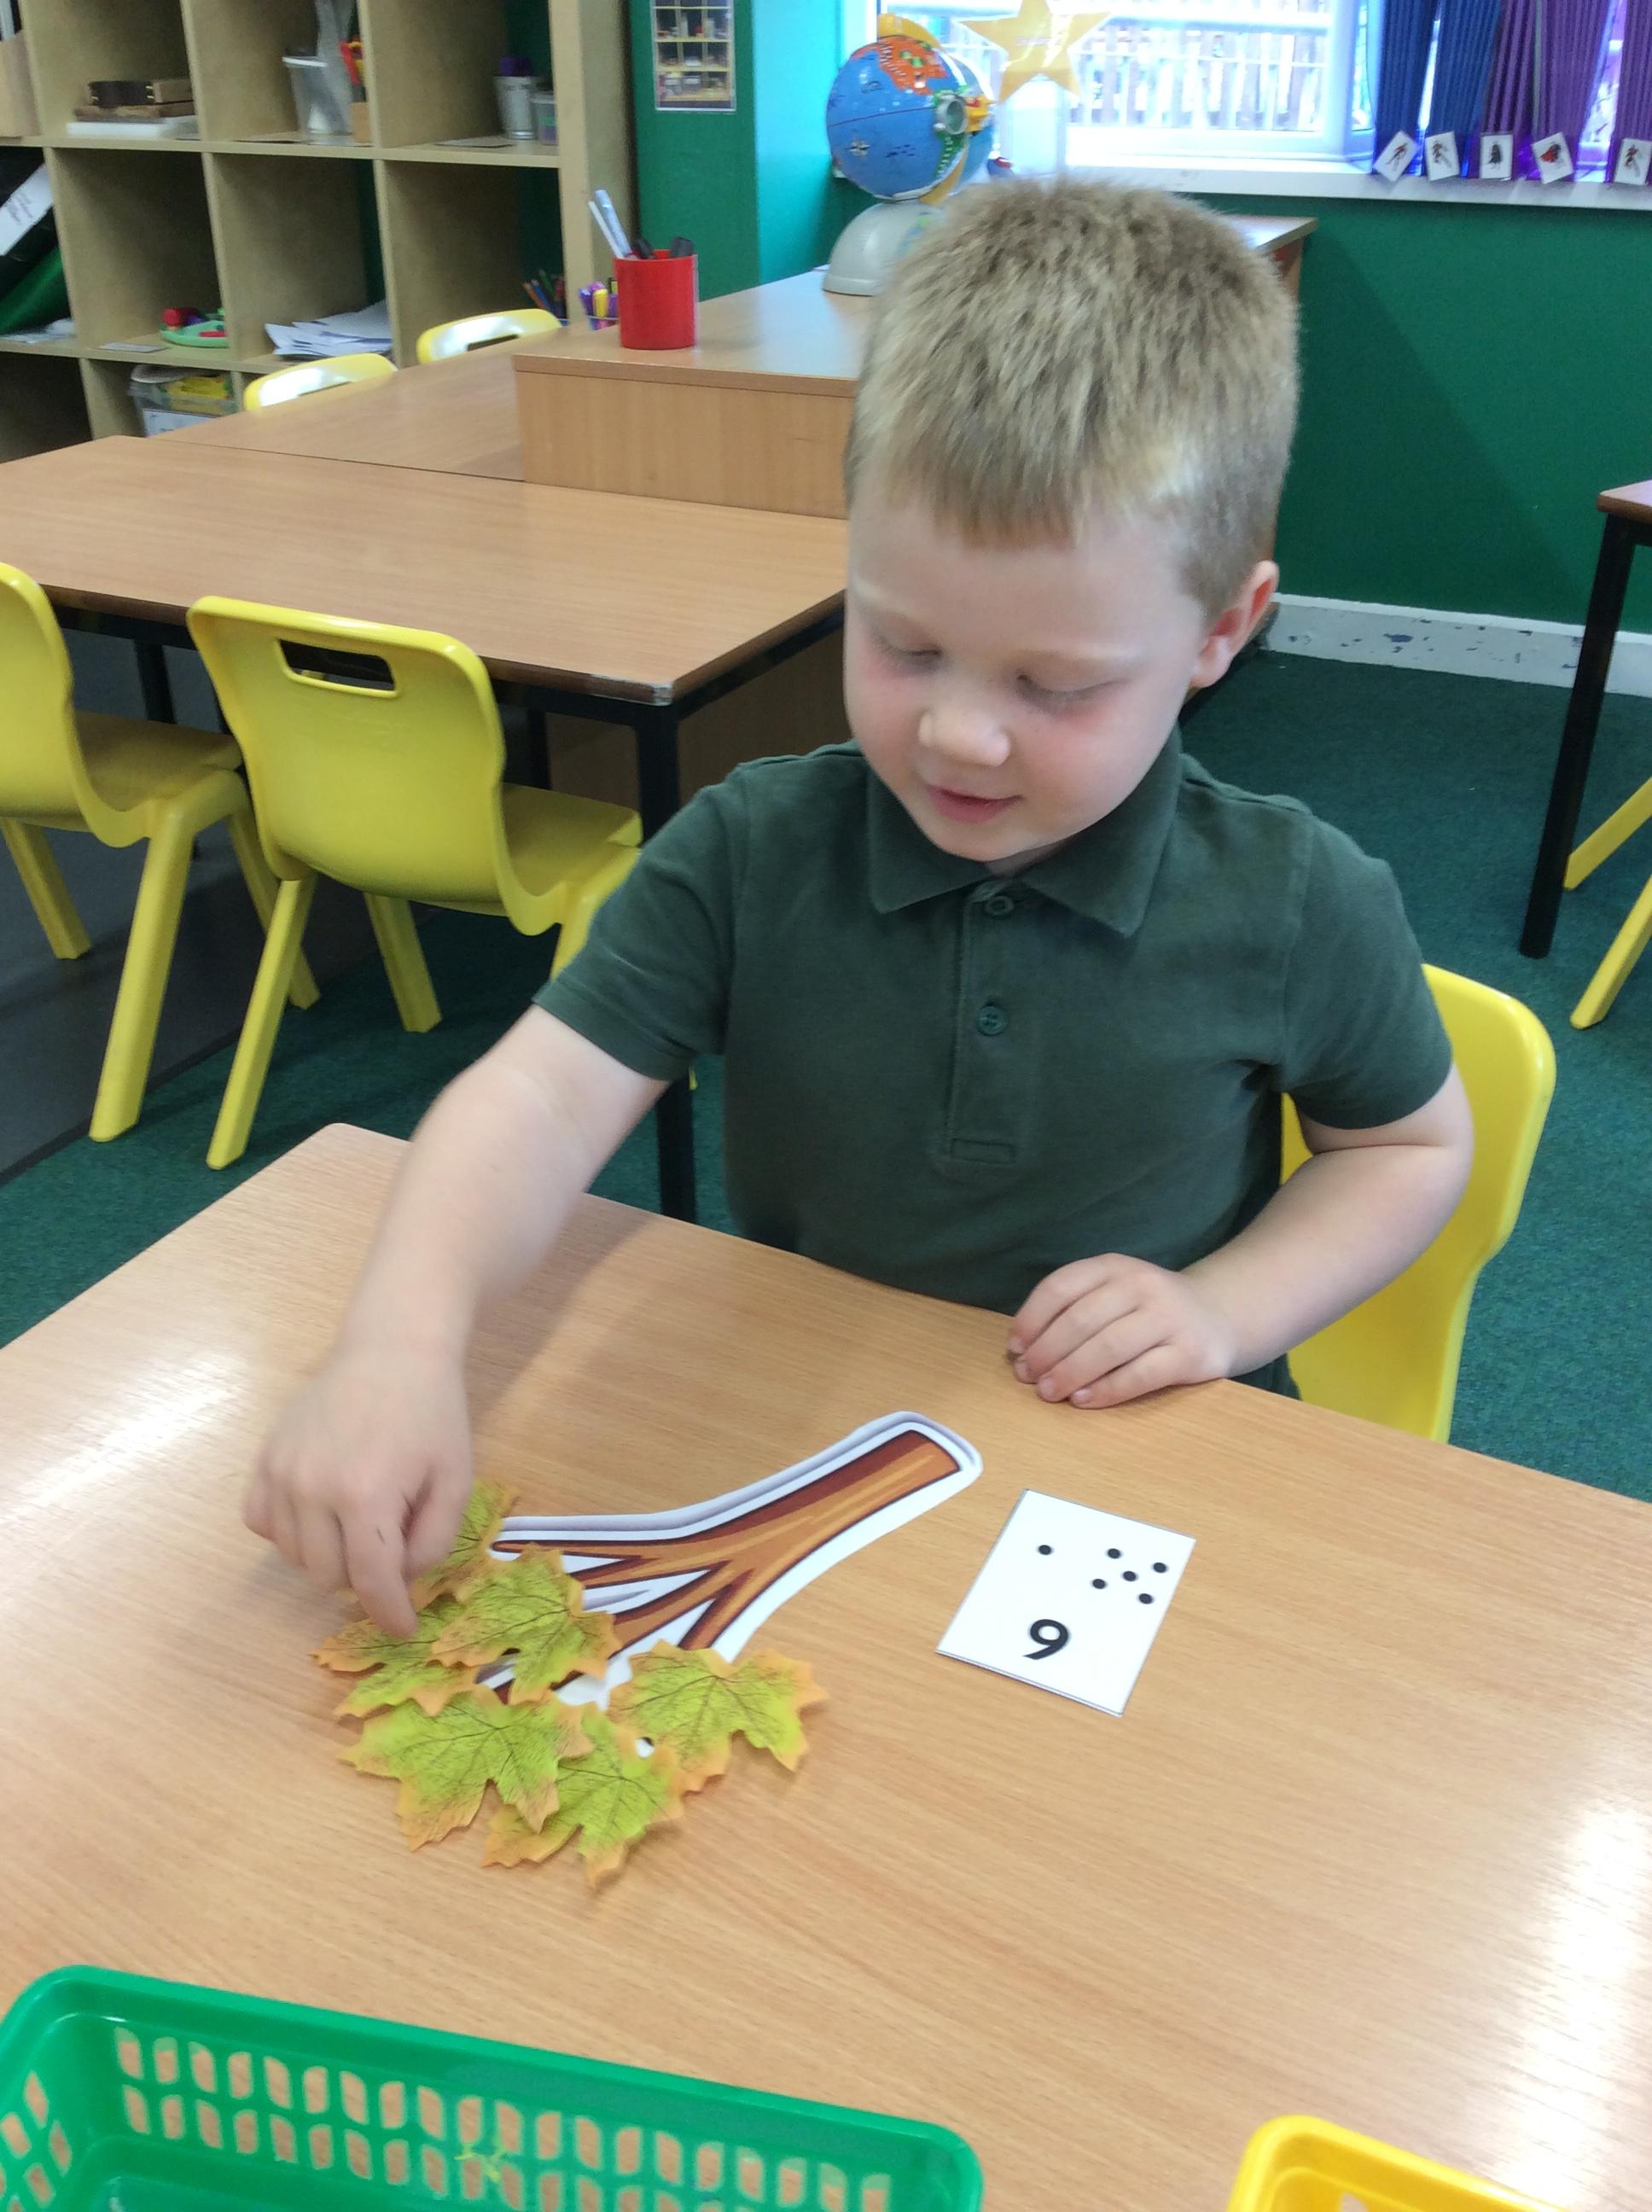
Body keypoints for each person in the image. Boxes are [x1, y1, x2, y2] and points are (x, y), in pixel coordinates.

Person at [248, 179, 1473, 1634]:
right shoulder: (751, 848)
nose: (958, 735)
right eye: (902, 643)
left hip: (1131, 1461)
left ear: (1222, 632)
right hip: (808, 1437)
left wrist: (1227, 1308)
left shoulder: (1297, 899)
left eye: (1055, 685)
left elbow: (1407, 1149)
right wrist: (398, 1342)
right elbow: (538, 1100)